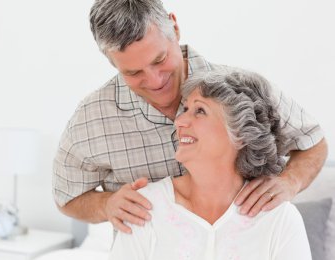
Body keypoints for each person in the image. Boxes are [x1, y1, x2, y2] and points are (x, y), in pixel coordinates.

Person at [52, 0, 327, 234]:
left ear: (174, 26)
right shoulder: (92, 119)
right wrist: (106, 205)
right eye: (133, 73)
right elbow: (67, 197)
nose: (155, 80)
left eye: (159, 60)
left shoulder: (242, 92)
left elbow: (313, 142)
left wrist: (290, 182)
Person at [109, 68, 312, 260]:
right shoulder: (144, 207)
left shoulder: (278, 217)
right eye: (186, 108)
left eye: (199, 111)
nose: (179, 122)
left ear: (240, 134)